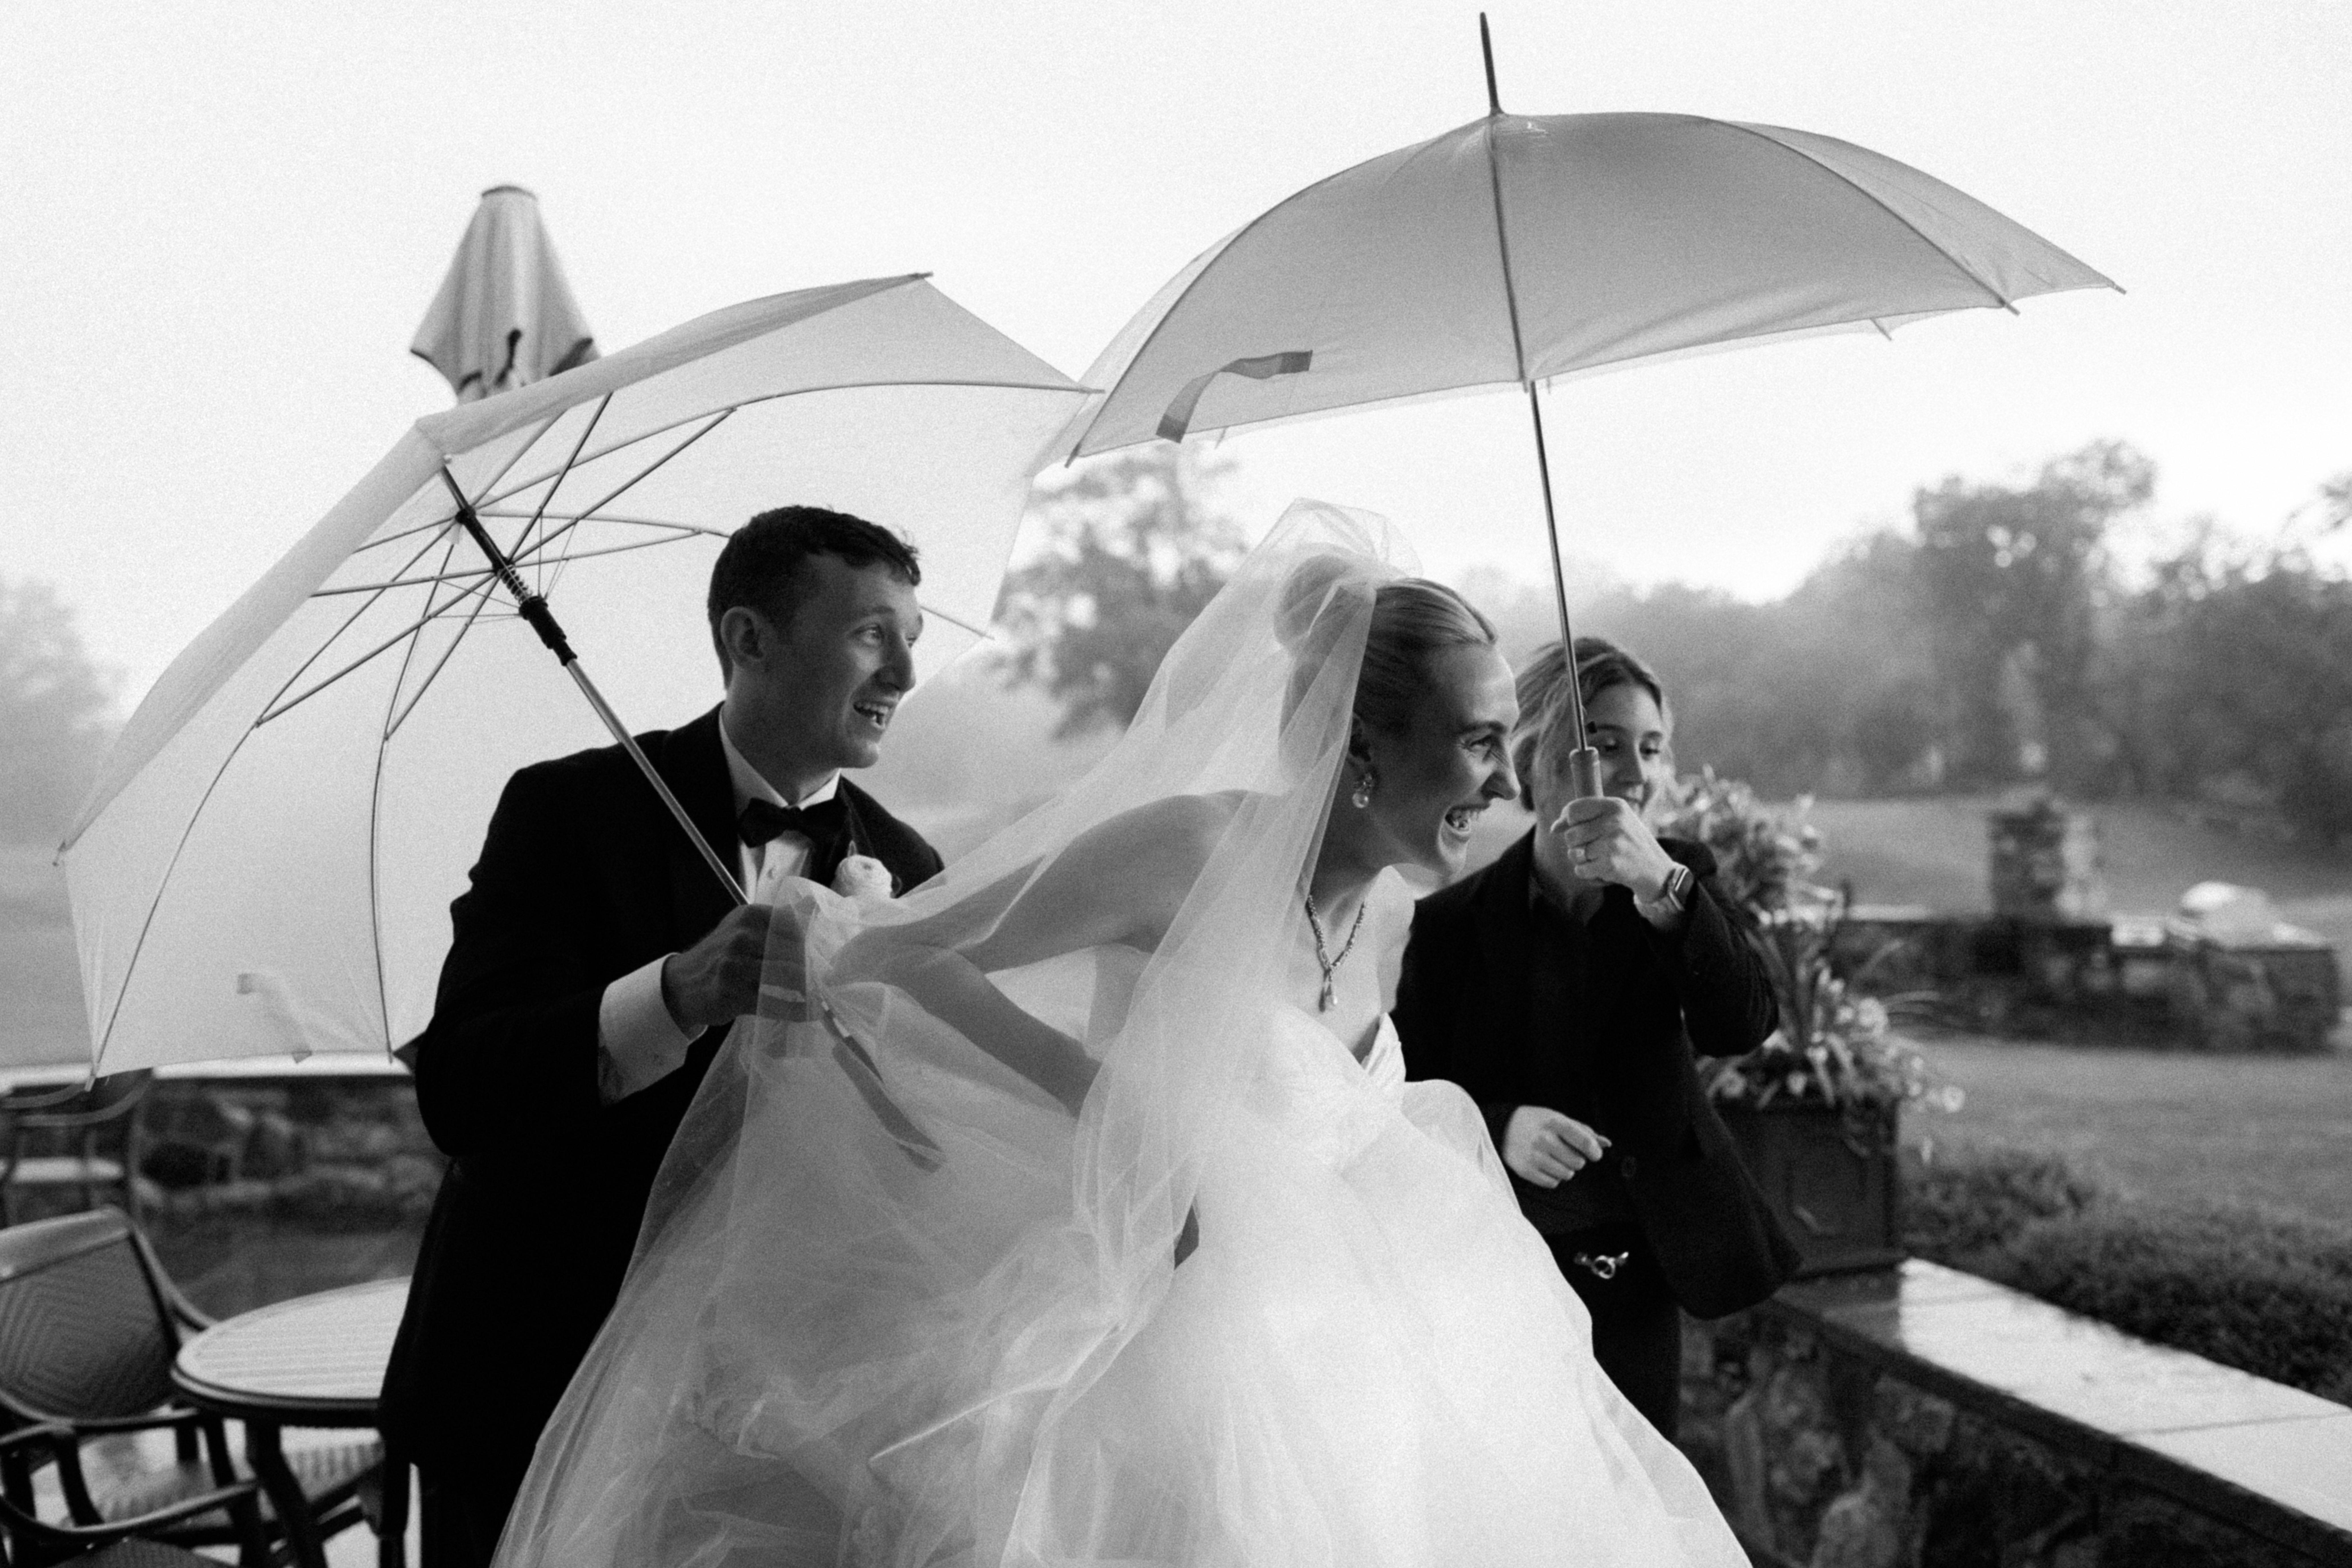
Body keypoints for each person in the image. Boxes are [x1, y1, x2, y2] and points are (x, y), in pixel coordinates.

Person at [492, 502, 1746, 1568]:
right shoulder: (1191, 848)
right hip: (1161, 1376)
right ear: (1361, 745)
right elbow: (904, 950)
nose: (1504, 780)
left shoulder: (1391, 922)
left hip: (1344, 1374)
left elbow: (1335, 1131)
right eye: (1480, 740)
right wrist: (1106, 1102)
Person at [379, 506, 948, 1568]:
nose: (907, 673)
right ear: (750, 639)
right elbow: (459, 1087)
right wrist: (675, 995)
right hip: (531, 1385)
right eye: (875, 633)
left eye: (915, 633)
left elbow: (919, 1139)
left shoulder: (910, 871)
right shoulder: (567, 812)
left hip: (770, 1430)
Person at [1392, 636, 1799, 1438]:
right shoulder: (1448, 925)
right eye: (1605, 746)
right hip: (1503, 1261)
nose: (1636, 774)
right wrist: (1501, 1124)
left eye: (1651, 749)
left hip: (1644, 1260)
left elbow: (1743, 1024)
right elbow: (1406, 1090)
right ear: (1534, 751)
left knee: (1637, 1489)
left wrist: (1661, 887)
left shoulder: (1683, 878)